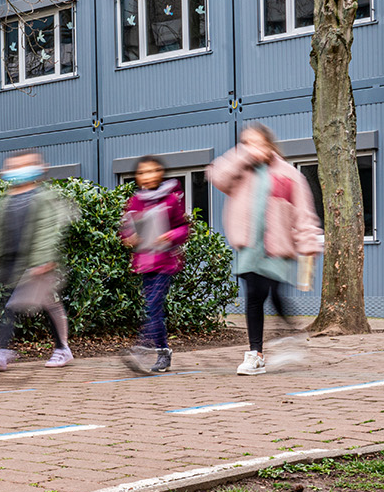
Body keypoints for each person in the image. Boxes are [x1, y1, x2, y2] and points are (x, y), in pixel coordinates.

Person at [206, 123, 322, 376]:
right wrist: (242, 156)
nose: (252, 148)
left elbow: (304, 215)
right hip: (248, 245)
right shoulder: (241, 171)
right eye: (246, 143)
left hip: (277, 247)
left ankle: (291, 335)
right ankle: (255, 354)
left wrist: (309, 245)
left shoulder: (290, 175)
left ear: (270, 145)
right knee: (254, 296)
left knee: (272, 292)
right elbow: (216, 175)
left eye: (257, 143)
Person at [0, 150, 76, 372]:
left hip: (36, 263)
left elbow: (47, 231)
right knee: (7, 306)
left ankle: (62, 348)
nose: (18, 171)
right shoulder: (5, 202)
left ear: (39, 170)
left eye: (25, 165)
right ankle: (1, 351)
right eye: (13, 167)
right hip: (11, 263)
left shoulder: (43, 198)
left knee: (47, 305)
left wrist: (43, 261)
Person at [119, 157, 191, 374]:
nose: (148, 176)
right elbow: (126, 228)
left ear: (161, 173)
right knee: (154, 310)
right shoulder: (135, 201)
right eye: (143, 172)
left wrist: (171, 235)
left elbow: (183, 228)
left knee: (152, 305)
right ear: (138, 177)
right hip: (145, 262)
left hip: (165, 262)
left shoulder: (171, 198)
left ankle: (141, 349)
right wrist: (129, 237)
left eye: (153, 171)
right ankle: (163, 353)